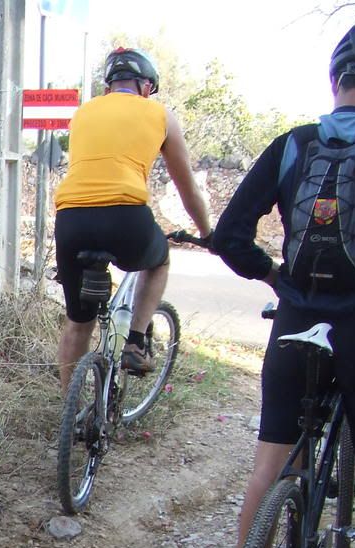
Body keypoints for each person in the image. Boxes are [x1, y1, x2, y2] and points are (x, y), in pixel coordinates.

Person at [211, 25, 355, 548]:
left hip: (296, 315)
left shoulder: (294, 143)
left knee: (268, 466)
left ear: (334, 81)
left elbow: (227, 235)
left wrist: (273, 276)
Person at [54, 48, 212, 391]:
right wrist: (207, 232)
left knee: (77, 323)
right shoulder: (160, 115)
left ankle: (69, 413)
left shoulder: (82, 113)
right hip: (125, 215)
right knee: (159, 262)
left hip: (71, 219)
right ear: (145, 86)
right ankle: (136, 342)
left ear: (109, 87)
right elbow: (188, 190)